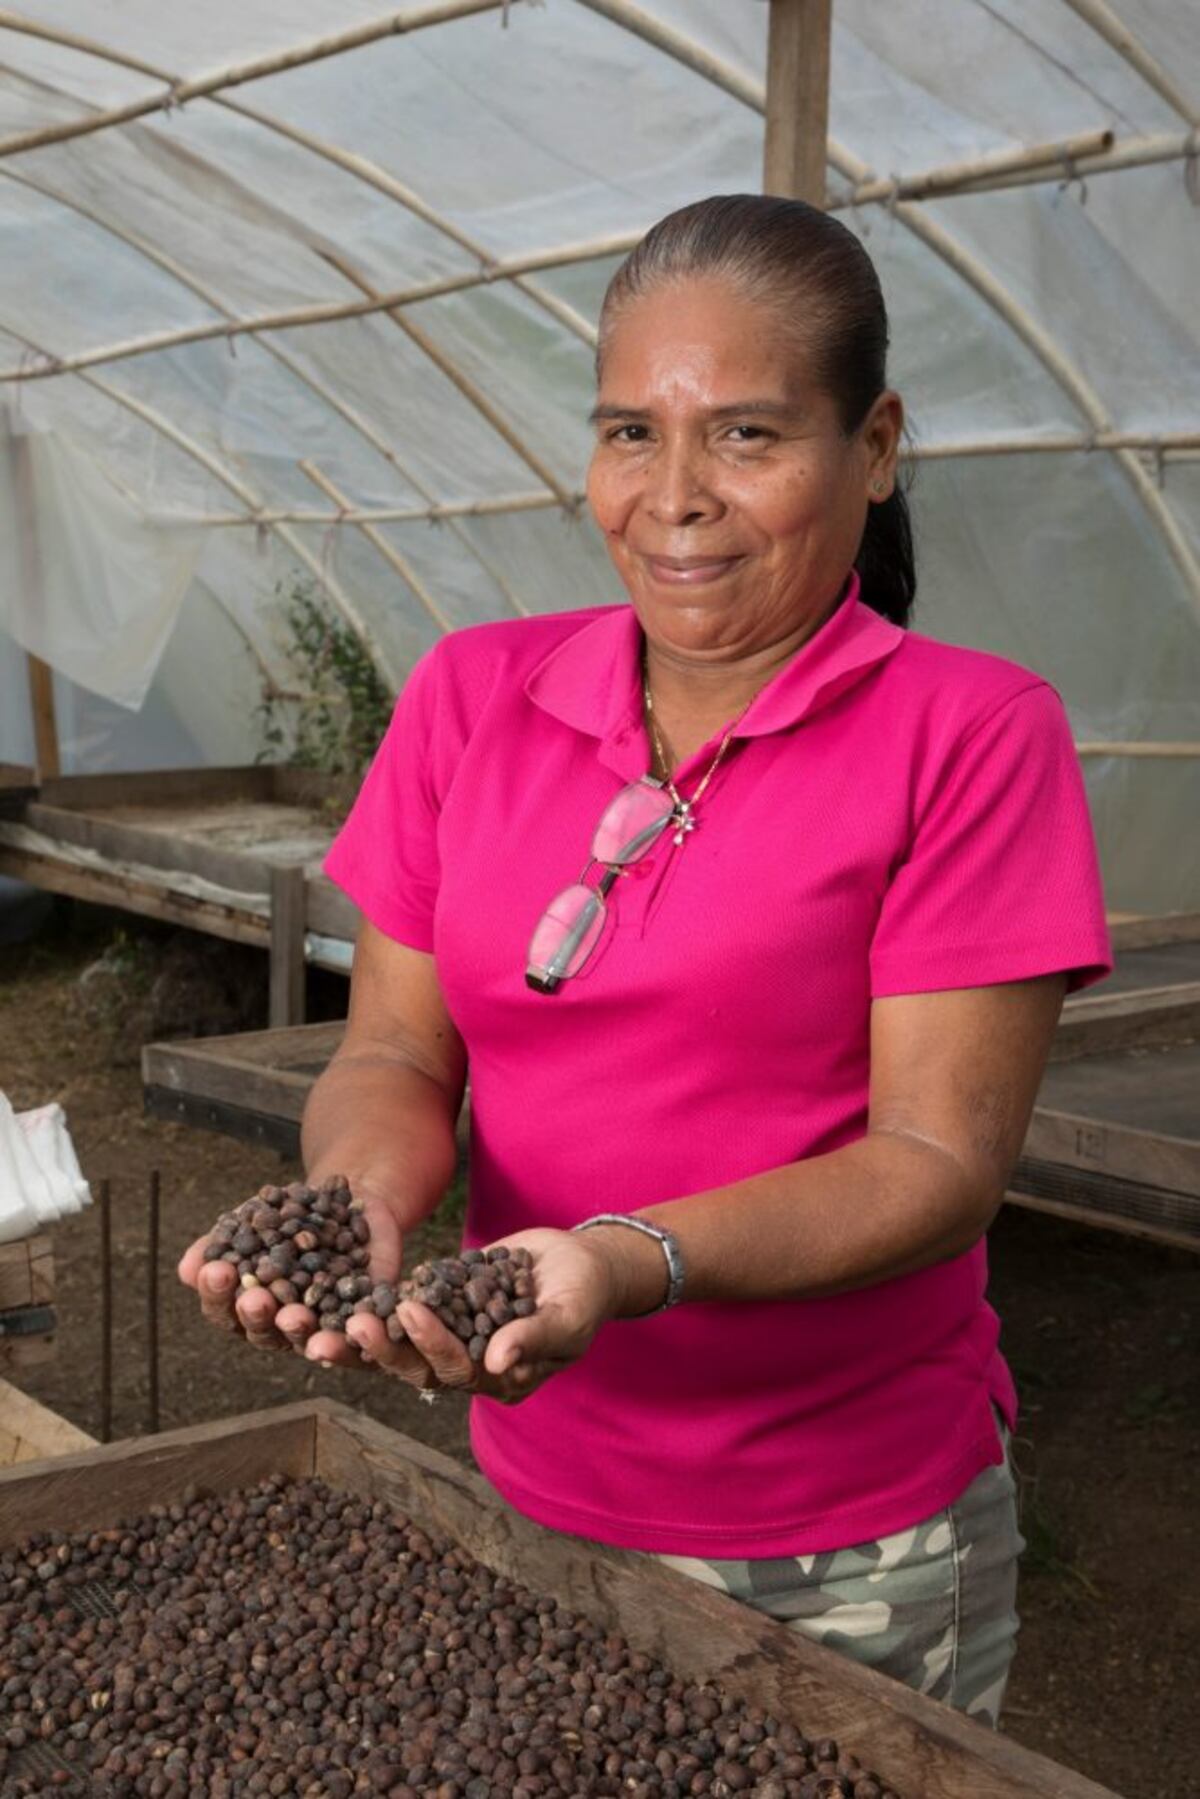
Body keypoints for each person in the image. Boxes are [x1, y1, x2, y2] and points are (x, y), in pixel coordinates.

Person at [181, 195, 1111, 1726]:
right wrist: (357, 1203)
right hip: (533, 1478)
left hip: (837, 1527)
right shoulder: (476, 696)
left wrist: (623, 1260)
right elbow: (398, 1053)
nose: (673, 498)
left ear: (872, 449)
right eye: (630, 433)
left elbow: (939, 1157)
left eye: (746, 436)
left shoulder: (969, 734)